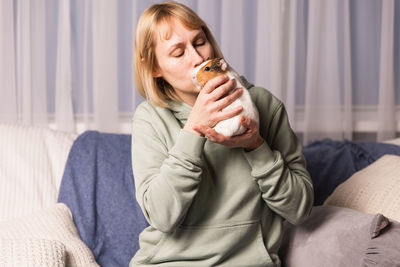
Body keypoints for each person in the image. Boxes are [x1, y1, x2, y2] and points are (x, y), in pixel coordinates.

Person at [131, 2, 314, 266]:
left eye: (200, 41)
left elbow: (300, 210)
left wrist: (257, 146)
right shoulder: (150, 118)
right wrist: (194, 130)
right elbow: (162, 216)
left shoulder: (263, 104)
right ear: (155, 69)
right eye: (178, 52)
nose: (198, 58)